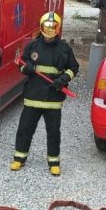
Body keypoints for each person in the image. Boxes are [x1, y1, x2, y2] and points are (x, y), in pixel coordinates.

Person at [10, 12, 79, 176]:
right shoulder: (33, 46)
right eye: (46, 27)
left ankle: (54, 162)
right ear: (41, 28)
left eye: (52, 27)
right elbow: (21, 65)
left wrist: (63, 79)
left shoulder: (64, 48)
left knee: (53, 133)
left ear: (58, 28)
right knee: (25, 129)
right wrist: (26, 68)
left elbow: (74, 68)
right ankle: (19, 158)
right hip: (32, 97)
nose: (49, 30)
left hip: (53, 99)